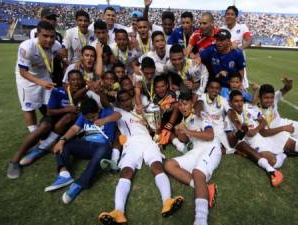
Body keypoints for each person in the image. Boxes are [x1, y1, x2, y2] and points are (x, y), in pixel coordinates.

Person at [98, 90, 184, 225]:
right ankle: (118, 212)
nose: (126, 102)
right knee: (126, 172)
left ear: (131, 99)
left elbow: (154, 126)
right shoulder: (119, 112)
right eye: (123, 100)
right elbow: (113, 113)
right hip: (131, 144)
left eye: (128, 99)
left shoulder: (141, 112)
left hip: (148, 142)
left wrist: (154, 129)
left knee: (157, 166)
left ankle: (167, 201)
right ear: (119, 102)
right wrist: (105, 119)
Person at [7, 70, 85, 179]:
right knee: (43, 126)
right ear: (68, 81)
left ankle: (42, 148)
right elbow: (49, 112)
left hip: (65, 125)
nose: (76, 82)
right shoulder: (59, 91)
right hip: (53, 118)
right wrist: (67, 109)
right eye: (73, 80)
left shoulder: (84, 93)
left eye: (78, 80)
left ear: (82, 81)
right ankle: (14, 161)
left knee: (69, 116)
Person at [45, 98, 120, 204]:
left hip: (102, 147)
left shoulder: (106, 111)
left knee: (104, 149)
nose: (91, 120)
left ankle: (79, 184)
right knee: (63, 142)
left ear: (98, 110)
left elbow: (118, 115)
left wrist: (104, 120)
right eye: (88, 118)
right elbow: (74, 129)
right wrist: (61, 140)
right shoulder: (83, 116)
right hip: (86, 145)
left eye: (93, 117)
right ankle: (64, 174)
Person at [164, 91, 221, 225]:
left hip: (210, 148)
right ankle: (205, 189)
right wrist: (180, 132)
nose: (183, 107)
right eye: (180, 105)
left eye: (186, 104)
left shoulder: (201, 115)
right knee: (169, 165)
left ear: (191, 104)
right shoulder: (185, 119)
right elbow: (185, 138)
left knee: (197, 173)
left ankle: (201, 220)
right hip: (196, 150)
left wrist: (188, 131)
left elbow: (209, 136)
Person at [15, 21, 62, 133]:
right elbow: (23, 72)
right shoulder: (26, 47)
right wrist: (41, 83)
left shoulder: (57, 46)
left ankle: (48, 128)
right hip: (27, 78)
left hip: (44, 76)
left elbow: (58, 58)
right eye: (45, 36)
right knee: (29, 107)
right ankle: (35, 135)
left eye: (52, 36)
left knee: (51, 104)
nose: (49, 40)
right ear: (38, 34)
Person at [195, 78, 234, 154]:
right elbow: (199, 106)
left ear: (220, 90)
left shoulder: (223, 100)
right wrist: (199, 111)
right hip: (206, 127)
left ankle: (220, 149)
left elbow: (229, 111)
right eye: (211, 88)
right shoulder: (202, 97)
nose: (214, 90)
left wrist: (236, 123)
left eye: (217, 88)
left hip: (219, 128)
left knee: (227, 148)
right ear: (207, 88)